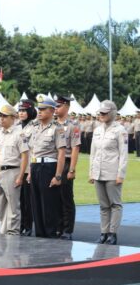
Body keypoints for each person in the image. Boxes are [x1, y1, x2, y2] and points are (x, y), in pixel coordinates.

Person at [89, 100, 128, 245]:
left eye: (105, 112)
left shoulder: (120, 130)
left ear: (112, 113)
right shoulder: (98, 130)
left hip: (112, 172)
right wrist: (91, 172)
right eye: (101, 112)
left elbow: (123, 154)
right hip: (98, 172)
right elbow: (93, 152)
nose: (102, 115)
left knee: (115, 204)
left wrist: (121, 174)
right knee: (103, 205)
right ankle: (103, 233)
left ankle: (113, 233)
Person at [28, 94, 66, 238]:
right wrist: (30, 171)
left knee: (48, 204)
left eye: (43, 109)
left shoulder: (57, 128)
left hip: (49, 167)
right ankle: (40, 234)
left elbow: (61, 152)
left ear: (51, 110)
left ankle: (51, 235)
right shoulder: (36, 127)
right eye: (39, 109)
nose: (40, 111)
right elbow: (33, 150)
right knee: (36, 203)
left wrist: (58, 175)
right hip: (35, 166)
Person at [0, 104, 29, 235]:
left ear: (13, 118)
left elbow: (24, 156)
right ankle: (3, 230)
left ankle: (13, 232)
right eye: (0, 116)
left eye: (5, 116)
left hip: (12, 171)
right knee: (0, 205)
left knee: (13, 205)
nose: (1, 119)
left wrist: (20, 176)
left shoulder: (19, 134)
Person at [54, 94, 81, 240]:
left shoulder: (73, 125)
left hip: (67, 162)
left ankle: (67, 229)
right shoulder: (53, 124)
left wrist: (72, 169)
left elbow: (75, 148)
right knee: (55, 198)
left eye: (58, 106)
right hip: (54, 163)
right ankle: (58, 227)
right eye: (55, 106)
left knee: (66, 197)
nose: (56, 109)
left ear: (67, 107)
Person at [18, 99, 37, 236]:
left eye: (24, 110)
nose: (21, 113)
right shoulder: (17, 126)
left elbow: (34, 150)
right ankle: (19, 225)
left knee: (27, 200)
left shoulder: (34, 127)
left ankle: (28, 226)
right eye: (20, 110)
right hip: (16, 167)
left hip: (27, 168)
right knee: (17, 200)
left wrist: (30, 170)